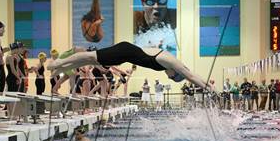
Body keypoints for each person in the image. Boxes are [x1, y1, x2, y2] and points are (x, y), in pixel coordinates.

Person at [47, 42, 213, 91]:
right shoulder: (170, 62)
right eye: (171, 77)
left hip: (124, 55)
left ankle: (60, 69)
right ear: (175, 73)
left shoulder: (170, 64)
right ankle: (58, 62)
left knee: (90, 61)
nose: (168, 76)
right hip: (125, 51)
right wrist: (211, 90)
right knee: (90, 56)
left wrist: (209, 86)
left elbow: (192, 74)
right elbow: (190, 76)